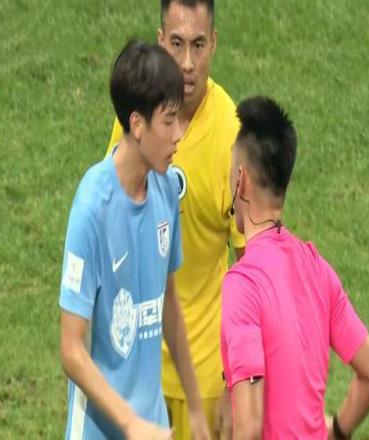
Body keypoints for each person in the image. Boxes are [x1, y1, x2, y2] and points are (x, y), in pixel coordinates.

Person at [106, 1, 245, 438]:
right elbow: (113, 227)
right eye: (177, 44)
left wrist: (236, 383)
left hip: (202, 379)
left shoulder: (232, 137)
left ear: (214, 43)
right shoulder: (137, 118)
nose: (187, 63)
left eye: (198, 45)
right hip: (136, 367)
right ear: (160, 40)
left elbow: (251, 270)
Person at [59, 40, 210, 439]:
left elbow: (168, 303)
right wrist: (128, 423)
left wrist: (195, 407)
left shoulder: (166, 190)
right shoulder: (92, 208)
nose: (179, 135)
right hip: (101, 430)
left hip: (151, 425)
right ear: (138, 125)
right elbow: (71, 350)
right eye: (169, 121)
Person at [220, 96, 369, 439]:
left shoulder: (242, 285)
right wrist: (337, 431)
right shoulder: (318, 269)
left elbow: (249, 427)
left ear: (241, 181)